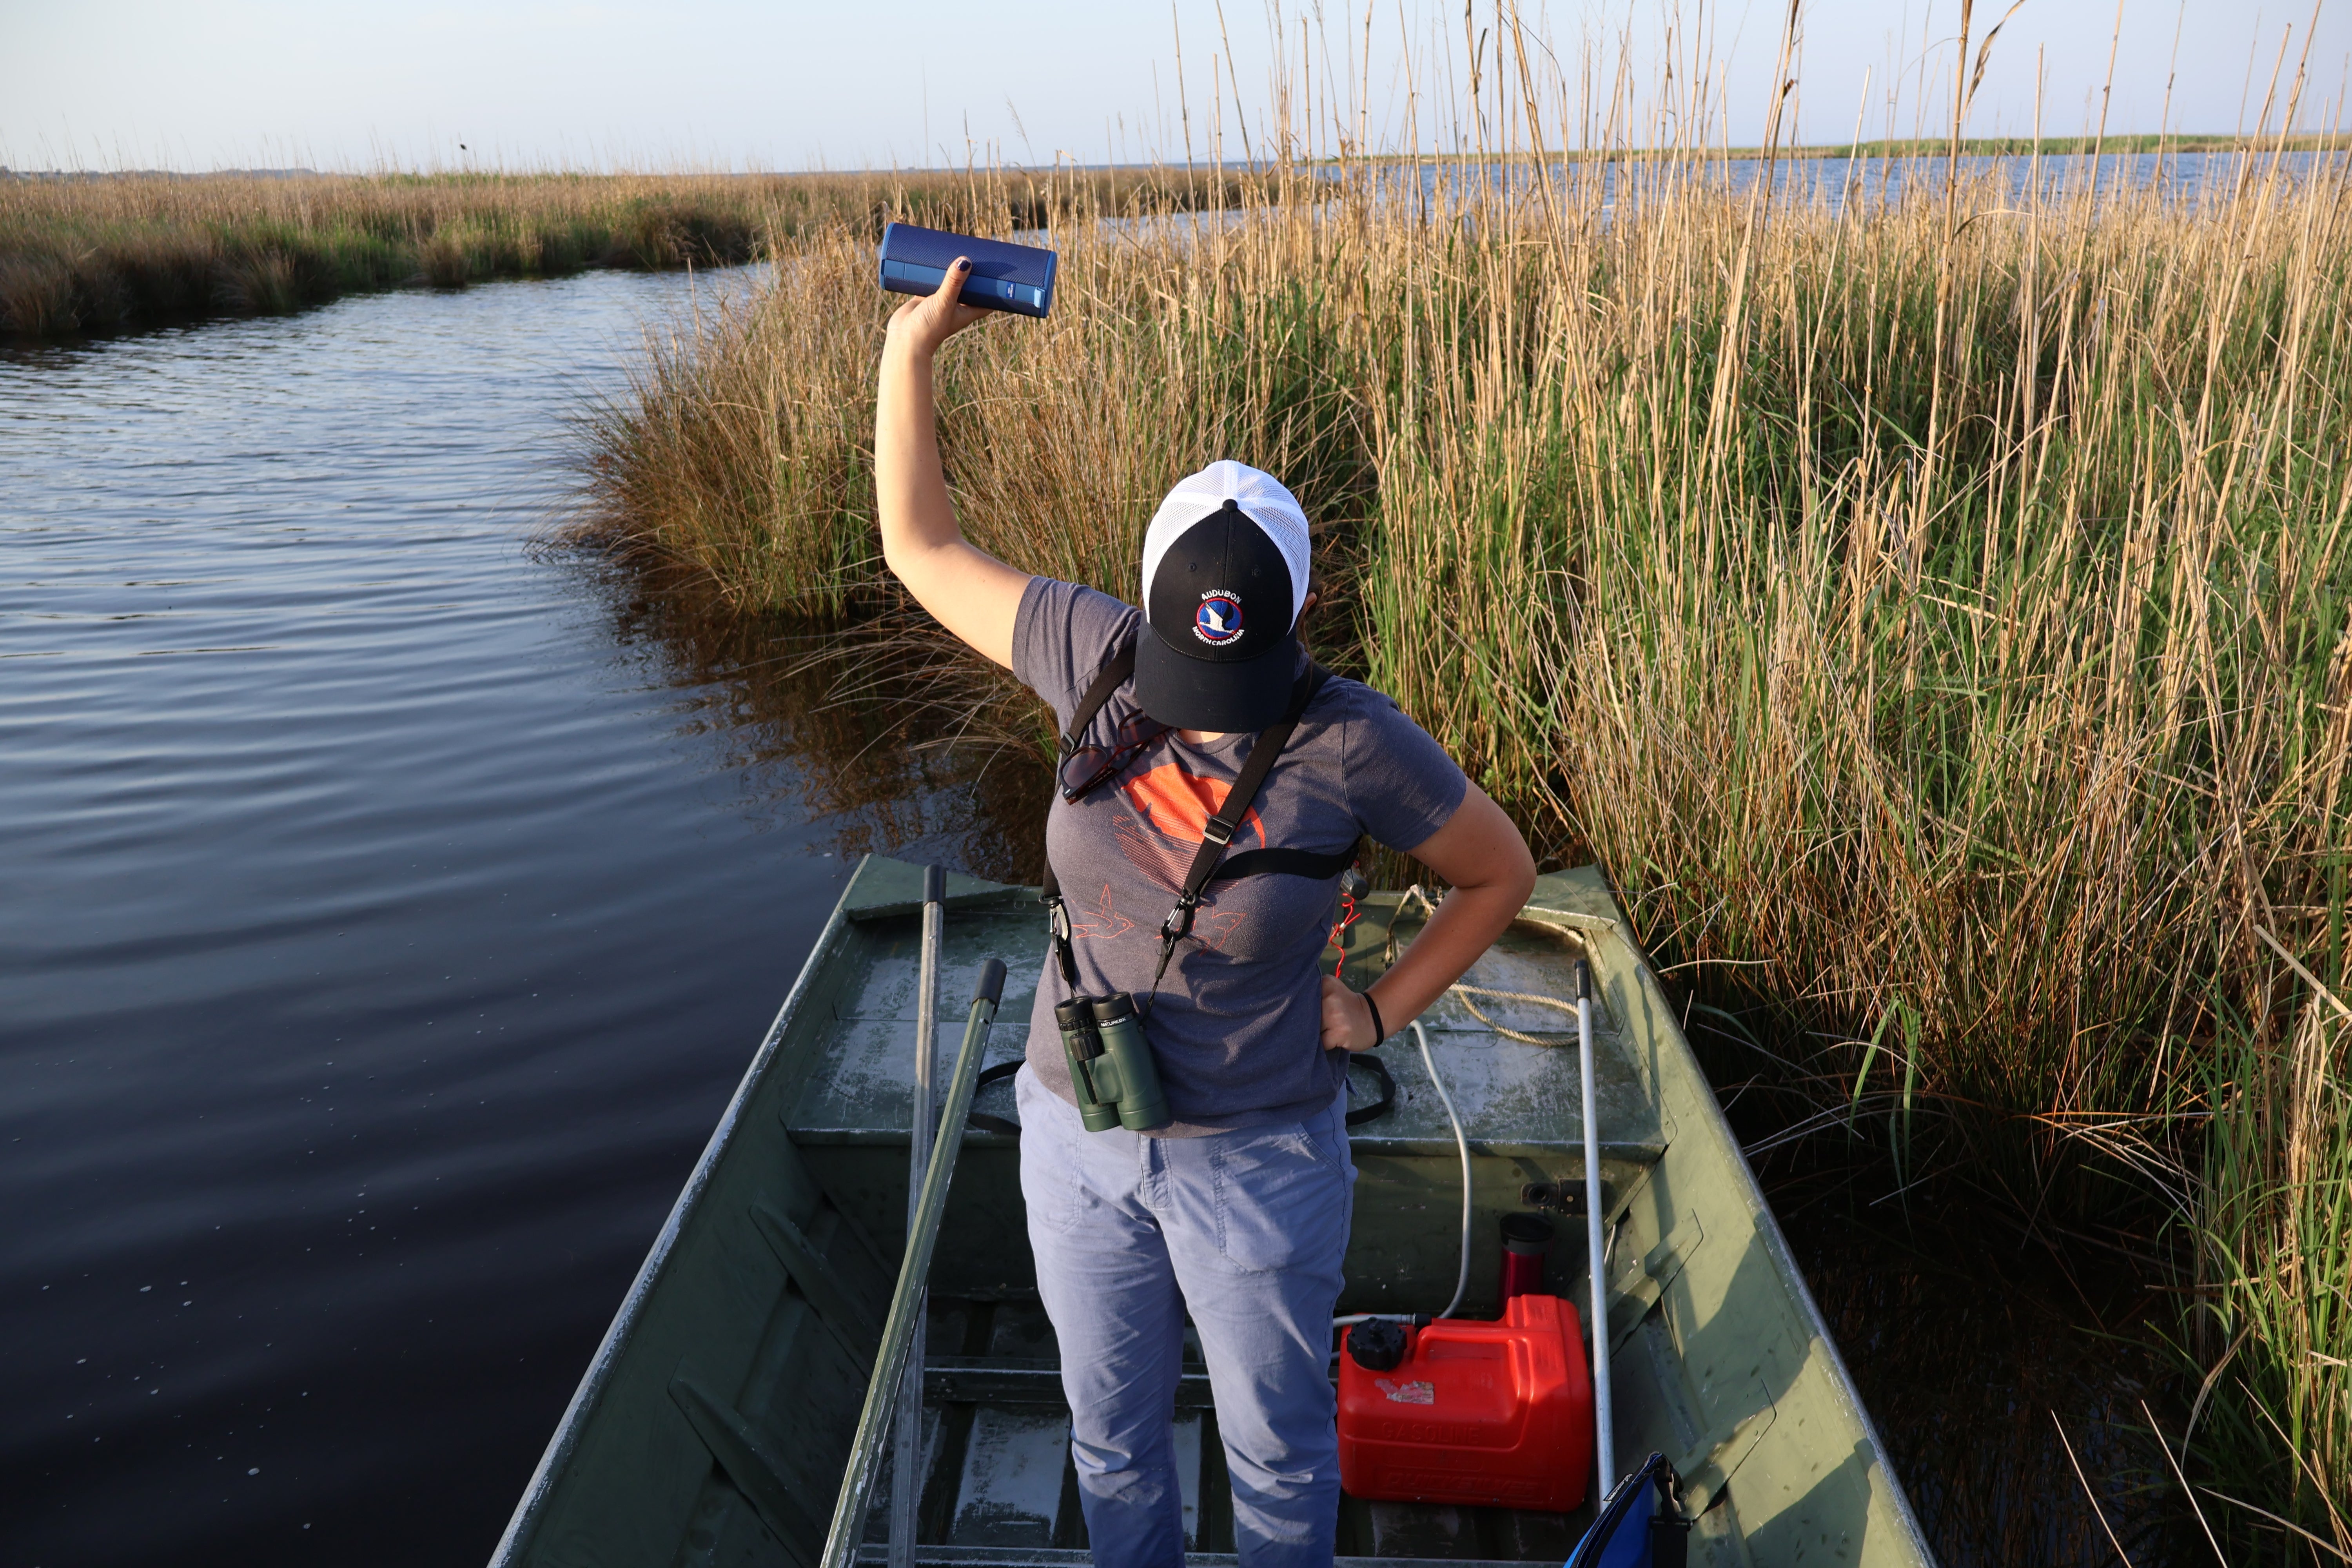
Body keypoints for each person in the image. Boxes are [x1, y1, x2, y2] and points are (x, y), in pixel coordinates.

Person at [875, 258, 1538, 1568]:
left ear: (1296, 622)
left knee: (1278, 1450)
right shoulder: (1094, 652)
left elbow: (1498, 872)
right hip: (1078, 1132)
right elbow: (922, 546)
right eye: (1188, 670)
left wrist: (1378, 1010)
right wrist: (912, 351)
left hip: (1261, 1163)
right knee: (1109, 1434)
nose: (1206, 706)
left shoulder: (1355, 745)